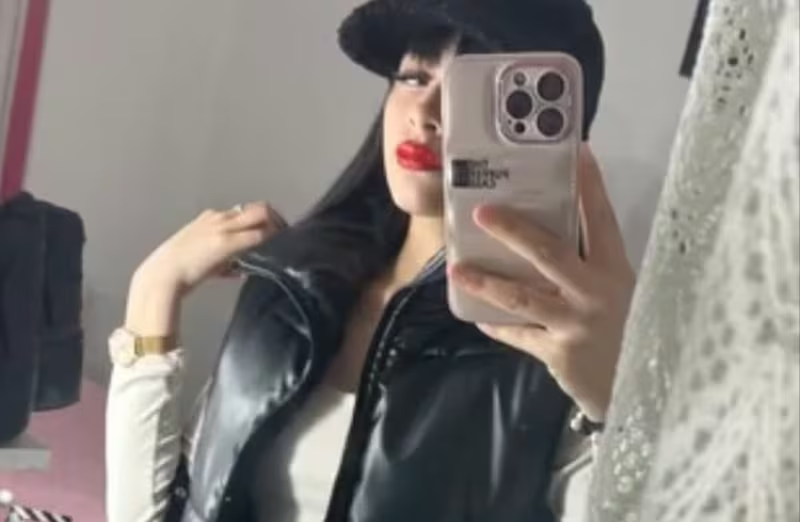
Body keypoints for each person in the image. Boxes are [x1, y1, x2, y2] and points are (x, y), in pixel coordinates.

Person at [105, 0, 635, 521]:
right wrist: (154, 291)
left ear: (551, 139)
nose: (425, 113)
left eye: (471, 92)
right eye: (413, 77)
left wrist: (621, 404)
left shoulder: (565, 356)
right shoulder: (289, 288)